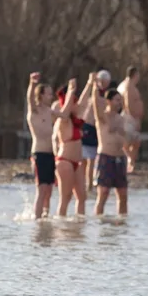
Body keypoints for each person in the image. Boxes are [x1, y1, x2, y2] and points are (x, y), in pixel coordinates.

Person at [92, 73, 129, 215]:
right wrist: (94, 86)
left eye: (121, 100)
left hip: (120, 158)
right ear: (108, 101)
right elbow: (95, 103)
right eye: (117, 100)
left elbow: (126, 139)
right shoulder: (102, 117)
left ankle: (122, 224)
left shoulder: (121, 118)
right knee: (103, 193)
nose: (119, 103)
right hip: (106, 157)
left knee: (123, 195)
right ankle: (99, 222)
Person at [54, 79, 90, 216]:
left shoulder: (76, 120)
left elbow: (84, 102)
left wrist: (89, 84)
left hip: (77, 162)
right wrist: (70, 91)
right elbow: (67, 107)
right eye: (73, 102)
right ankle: (61, 227)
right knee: (66, 197)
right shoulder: (64, 120)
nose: (77, 104)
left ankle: (78, 228)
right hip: (65, 161)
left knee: (82, 197)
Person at [26, 73, 58, 219]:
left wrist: (71, 92)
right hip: (39, 154)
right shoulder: (34, 110)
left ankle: (45, 216)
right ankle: (37, 219)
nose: (51, 96)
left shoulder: (49, 111)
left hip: (51, 154)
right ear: (41, 95)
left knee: (49, 190)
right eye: (49, 94)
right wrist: (32, 84)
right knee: (42, 189)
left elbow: (64, 114)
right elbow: (30, 99)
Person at [81, 70, 110, 189]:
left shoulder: (105, 96)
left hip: (96, 128)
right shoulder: (94, 93)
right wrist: (93, 82)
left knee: (92, 158)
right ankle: (83, 184)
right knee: (84, 158)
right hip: (87, 127)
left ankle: (89, 185)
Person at [118, 66, 144, 174]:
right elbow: (128, 103)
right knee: (128, 141)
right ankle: (129, 161)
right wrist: (135, 118)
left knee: (135, 142)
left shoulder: (127, 85)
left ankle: (130, 162)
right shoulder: (128, 85)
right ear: (135, 74)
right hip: (129, 117)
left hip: (130, 117)